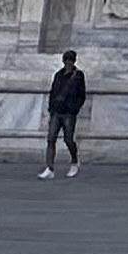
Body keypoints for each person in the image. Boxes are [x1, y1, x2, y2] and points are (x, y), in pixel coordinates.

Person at [45, 51, 90, 180]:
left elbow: (82, 95)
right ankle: (50, 168)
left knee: (68, 139)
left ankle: (74, 161)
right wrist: (51, 107)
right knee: (51, 138)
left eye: (70, 61)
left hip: (69, 113)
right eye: (66, 61)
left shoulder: (78, 76)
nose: (68, 63)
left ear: (73, 61)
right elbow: (53, 91)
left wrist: (74, 109)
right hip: (56, 111)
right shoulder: (59, 75)